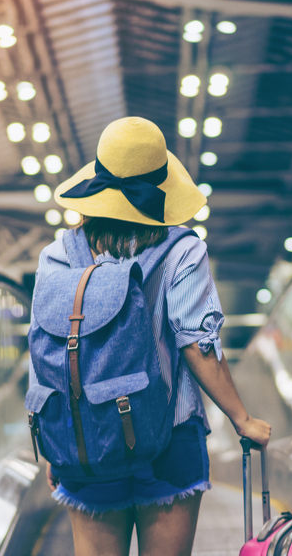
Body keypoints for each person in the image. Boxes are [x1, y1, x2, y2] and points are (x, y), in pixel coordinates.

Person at [33, 117, 271, 556]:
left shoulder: (56, 255)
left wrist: (58, 439)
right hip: (170, 436)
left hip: (90, 442)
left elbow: (47, 355)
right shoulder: (183, 249)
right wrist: (242, 419)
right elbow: (198, 346)